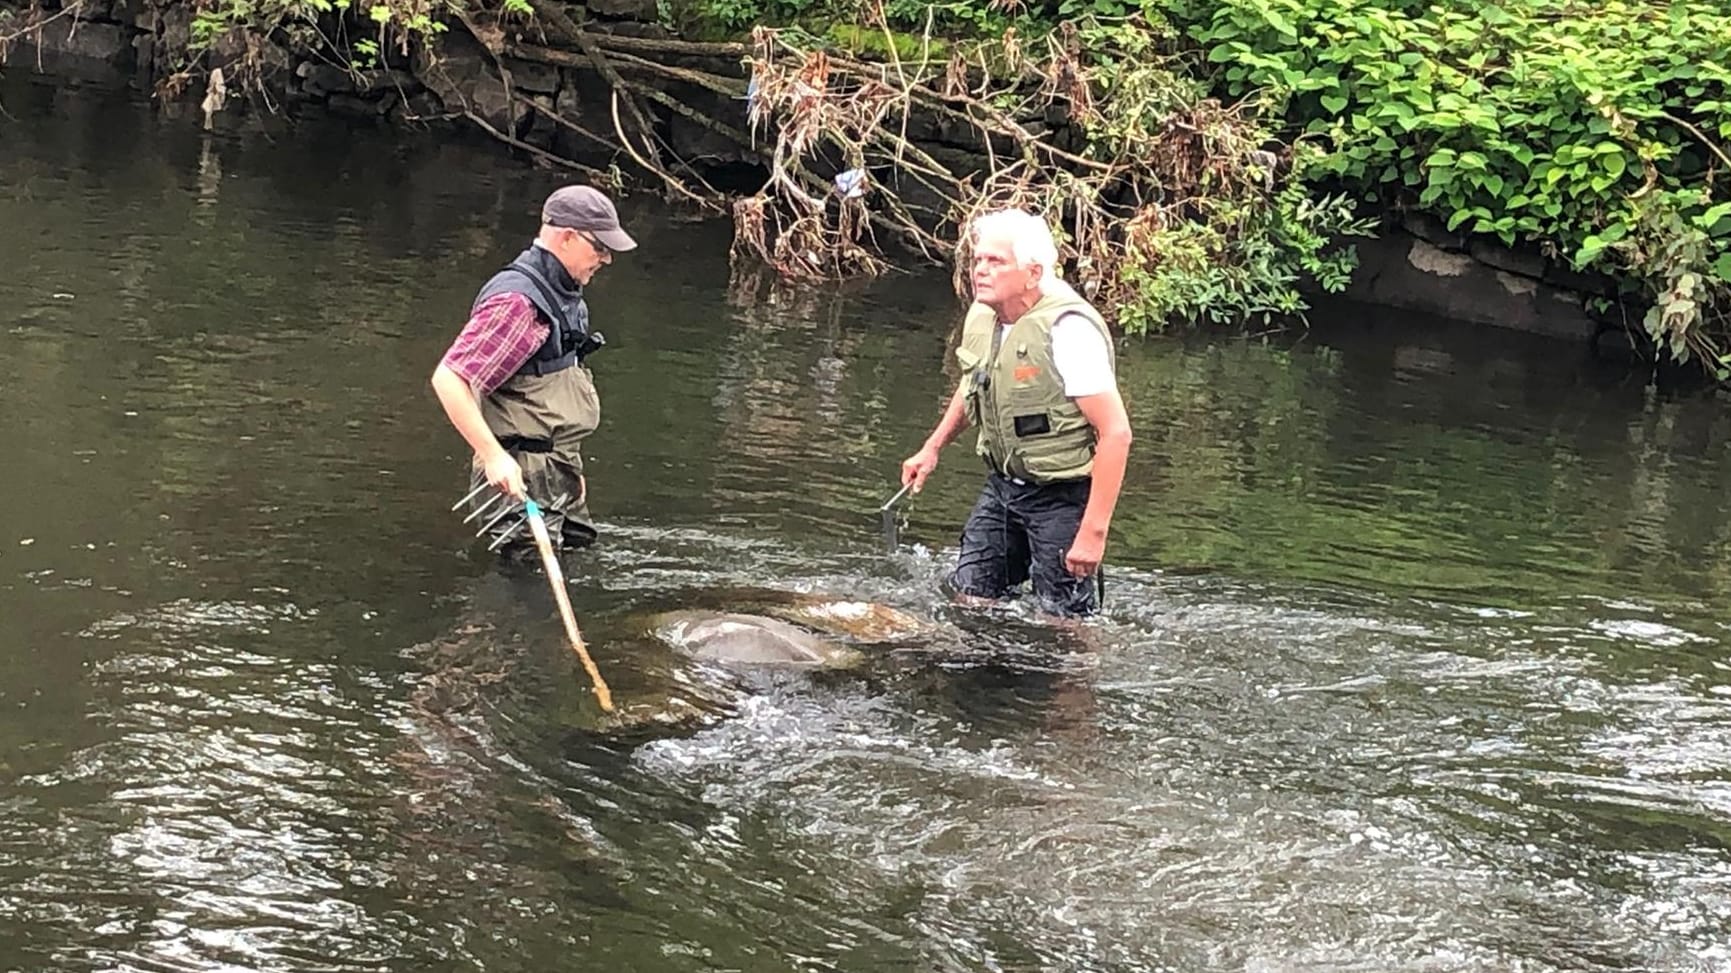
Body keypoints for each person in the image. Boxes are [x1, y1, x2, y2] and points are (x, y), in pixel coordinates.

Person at [900, 208, 1132, 617]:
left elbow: (1116, 433)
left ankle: (1075, 681)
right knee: (971, 597)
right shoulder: (985, 316)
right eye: (978, 260)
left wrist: (1093, 533)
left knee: (1064, 620)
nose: (980, 270)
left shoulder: (1067, 330)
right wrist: (932, 447)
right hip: (1003, 487)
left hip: (1063, 496)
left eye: (996, 261)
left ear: (1033, 271)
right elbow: (977, 384)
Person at [431, 184, 637, 559]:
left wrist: (570, 464)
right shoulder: (517, 303)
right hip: (520, 475)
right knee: (525, 588)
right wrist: (492, 456)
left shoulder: (565, 291)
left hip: (558, 465)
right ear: (568, 237)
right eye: (600, 248)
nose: (606, 259)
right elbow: (450, 378)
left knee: (578, 553)